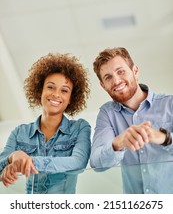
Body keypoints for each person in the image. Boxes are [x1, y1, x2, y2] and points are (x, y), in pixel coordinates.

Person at [0, 53, 91, 194]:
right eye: (50, 87)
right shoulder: (20, 132)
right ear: (40, 91)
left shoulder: (80, 128)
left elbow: (78, 162)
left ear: (70, 99)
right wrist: (13, 157)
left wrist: (29, 161)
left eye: (64, 90)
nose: (56, 94)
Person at [90, 47, 173, 194]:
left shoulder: (169, 104)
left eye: (120, 71)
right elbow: (97, 163)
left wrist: (164, 138)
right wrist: (118, 143)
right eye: (108, 77)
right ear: (103, 85)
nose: (116, 81)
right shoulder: (107, 114)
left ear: (135, 71)